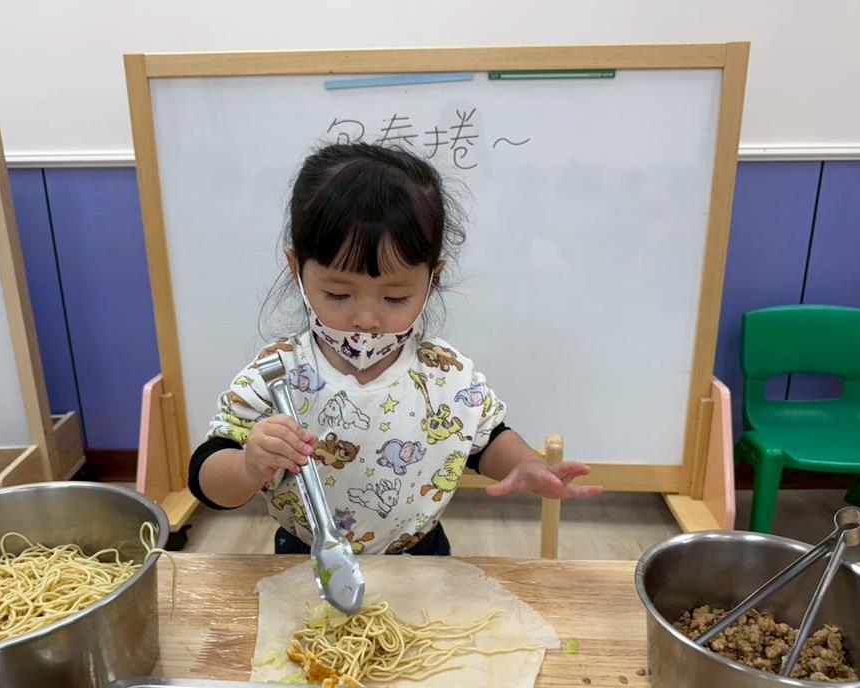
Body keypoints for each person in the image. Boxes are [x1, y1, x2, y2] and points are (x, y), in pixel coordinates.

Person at [188, 143, 601, 555]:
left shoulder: (444, 374)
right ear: (297, 269)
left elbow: (487, 439)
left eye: (395, 297)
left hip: (421, 555)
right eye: (338, 294)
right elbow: (206, 477)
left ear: (433, 281)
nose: (366, 319)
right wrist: (247, 467)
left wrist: (524, 464)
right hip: (308, 558)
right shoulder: (276, 375)